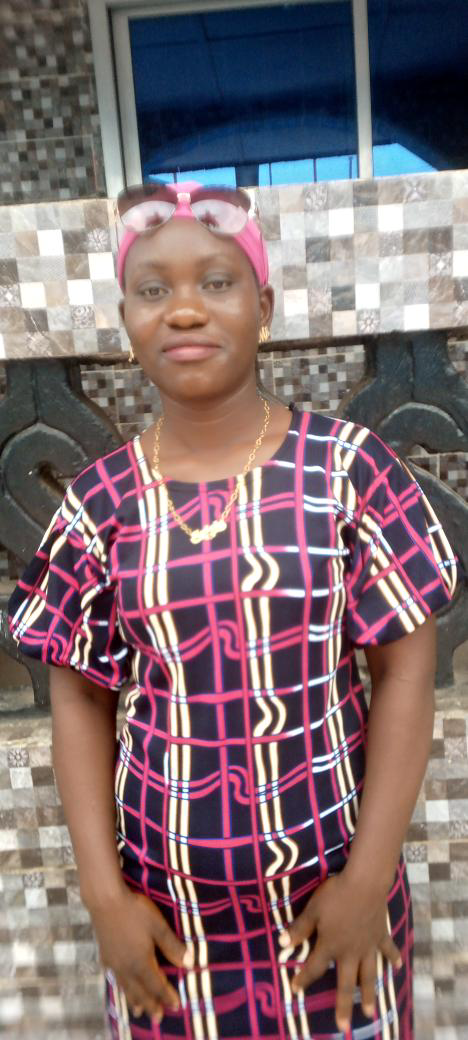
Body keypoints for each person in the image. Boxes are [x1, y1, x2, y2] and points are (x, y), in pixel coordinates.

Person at [9, 180, 459, 1040]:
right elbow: (80, 699)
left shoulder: (349, 470)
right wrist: (104, 900)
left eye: (216, 282)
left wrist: (367, 883)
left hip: (334, 903)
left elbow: (405, 671)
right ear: (126, 320)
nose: (184, 309)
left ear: (265, 308)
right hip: (164, 926)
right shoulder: (100, 502)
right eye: (153, 289)